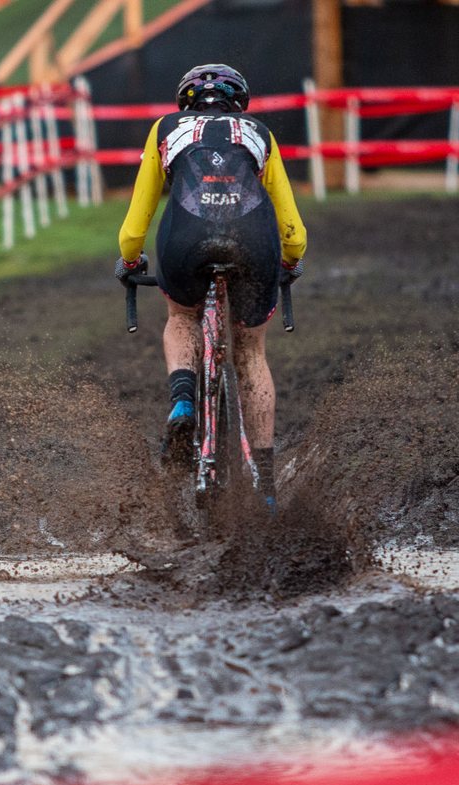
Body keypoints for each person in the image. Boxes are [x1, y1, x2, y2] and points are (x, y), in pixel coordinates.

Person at [115, 63, 307, 510]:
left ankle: (182, 402)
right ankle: (266, 484)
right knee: (250, 352)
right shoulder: (259, 132)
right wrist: (291, 261)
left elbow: (135, 223)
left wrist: (129, 259)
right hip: (252, 243)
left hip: (184, 239)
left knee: (181, 315)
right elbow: (292, 228)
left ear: (184, 101)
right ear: (240, 102)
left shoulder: (165, 128)